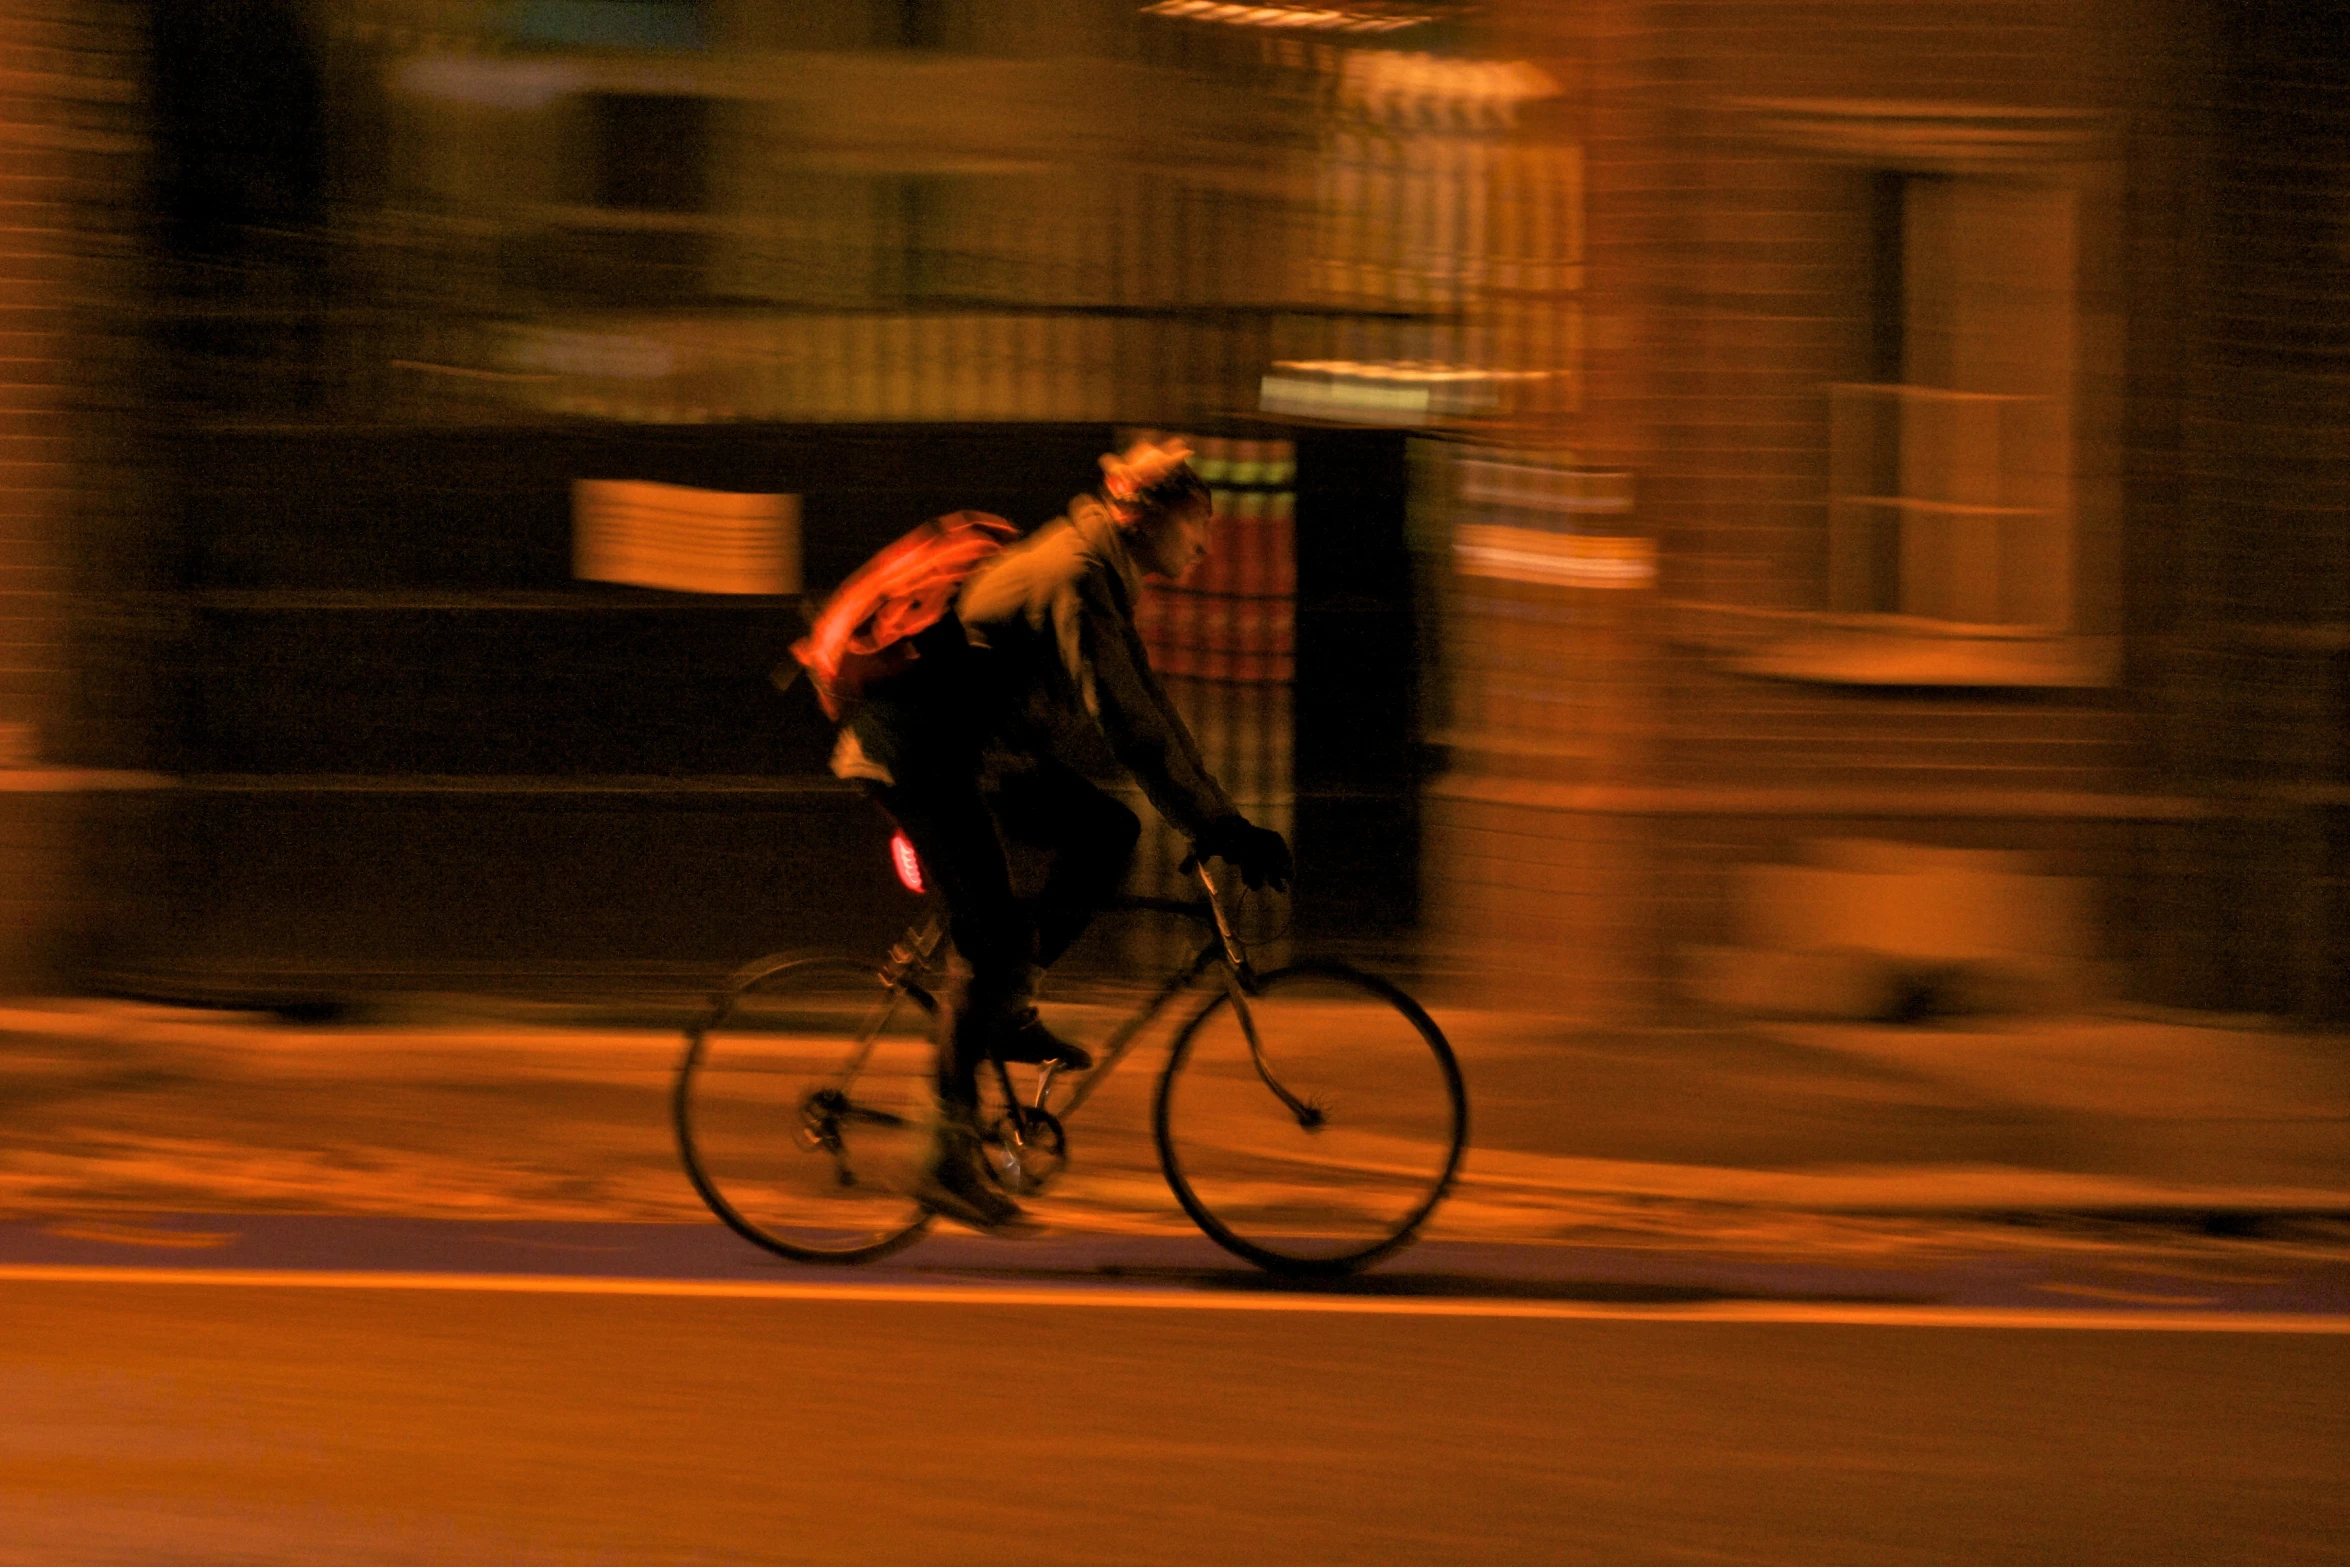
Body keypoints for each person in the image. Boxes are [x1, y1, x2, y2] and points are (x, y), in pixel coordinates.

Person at [826, 438, 1292, 1232]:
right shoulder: (1077, 576)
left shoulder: (1102, 575)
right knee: (993, 938)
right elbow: (1130, 727)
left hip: (975, 756)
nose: (1206, 542)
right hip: (918, 756)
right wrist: (1220, 826)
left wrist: (1221, 815)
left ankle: (1006, 1007)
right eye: (1196, 523)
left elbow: (1150, 706)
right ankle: (943, 1156)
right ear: (1145, 518)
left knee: (1106, 828)